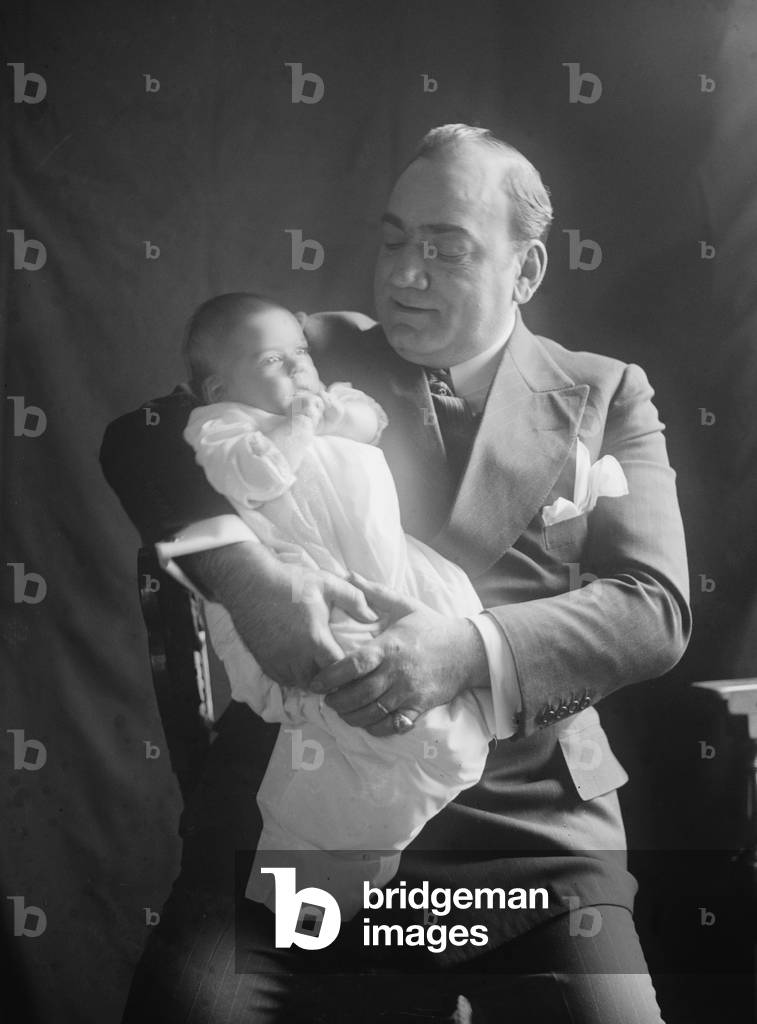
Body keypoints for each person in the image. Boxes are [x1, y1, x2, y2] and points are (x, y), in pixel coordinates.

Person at [101, 124, 691, 1023]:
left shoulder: (606, 393)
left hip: (526, 829)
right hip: (299, 807)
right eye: (393, 240)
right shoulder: (316, 352)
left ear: (526, 270)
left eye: (445, 249)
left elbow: (653, 609)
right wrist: (251, 579)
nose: (404, 274)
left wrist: (462, 650)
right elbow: (139, 441)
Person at [176, 291, 500, 919]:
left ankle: (342, 864)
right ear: (219, 388)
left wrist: (331, 412)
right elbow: (250, 477)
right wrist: (298, 423)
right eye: (273, 361)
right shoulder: (223, 425)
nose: (299, 367)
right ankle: (312, 880)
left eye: (300, 352)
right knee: (377, 724)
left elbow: (370, 421)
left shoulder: (328, 399)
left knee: (457, 626)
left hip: (393, 566)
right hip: (313, 578)